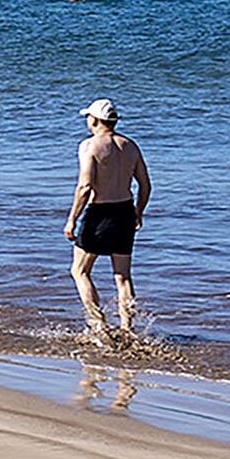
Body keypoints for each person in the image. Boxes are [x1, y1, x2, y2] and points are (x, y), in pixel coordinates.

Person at [67, 98, 151, 339]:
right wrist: (138, 211)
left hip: (99, 213)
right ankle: (128, 330)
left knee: (80, 271)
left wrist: (72, 218)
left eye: (88, 117)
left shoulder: (89, 146)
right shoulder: (131, 146)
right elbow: (145, 185)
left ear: (94, 120)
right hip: (124, 211)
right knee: (122, 276)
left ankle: (99, 325)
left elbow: (84, 186)